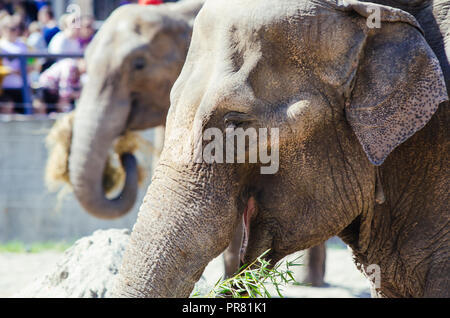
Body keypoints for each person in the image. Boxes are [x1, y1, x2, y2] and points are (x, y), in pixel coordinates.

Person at [0, 14, 28, 114]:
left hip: (22, 86)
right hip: (5, 88)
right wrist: (9, 70)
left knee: (25, 112)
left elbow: (33, 61)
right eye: (11, 29)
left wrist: (29, 68)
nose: (15, 31)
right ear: (3, 29)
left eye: (16, 28)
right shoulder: (1, 45)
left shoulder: (23, 44)